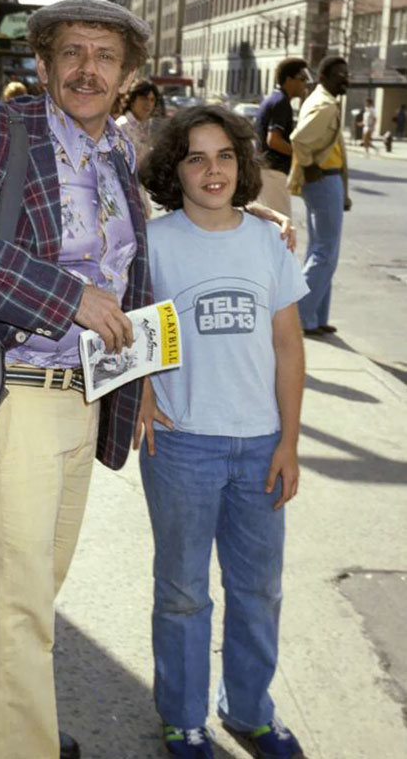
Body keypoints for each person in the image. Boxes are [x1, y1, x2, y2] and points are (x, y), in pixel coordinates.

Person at [0, 0, 153, 759]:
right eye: (71, 53)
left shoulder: (118, 152)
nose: (87, 69)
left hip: (85, 397)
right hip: (13, 392)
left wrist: (137, 384)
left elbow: (128, 275)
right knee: (17, 599)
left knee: (27, 584)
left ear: (125, 77)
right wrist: (63, 295)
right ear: (42, 65)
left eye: (104, 58)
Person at [134, 104, 308, 759]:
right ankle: (182, 717)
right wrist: (144, 392)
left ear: (242, 163)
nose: (212, 169)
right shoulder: (153, 241)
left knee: (258, 589)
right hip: (182, 446)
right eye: (195, 157)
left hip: (259, 443)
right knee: (181, 592)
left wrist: (288, 441)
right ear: (173, 170)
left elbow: (288, 345)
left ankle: (249, 710)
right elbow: (135, 325)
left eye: (224, 155)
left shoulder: (268, 241)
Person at [288, 55, 351, 337]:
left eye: (346, 74)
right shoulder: (324, 105)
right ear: (324, 77)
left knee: (323, 251)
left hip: (330, 180)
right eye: (339, 74)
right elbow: (299, 139)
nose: (345, 79)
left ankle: (314, 317)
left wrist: (345, 190)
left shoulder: (322, 99)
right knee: (325, 253)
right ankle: (299, 316)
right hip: (324, 180)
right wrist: (310, 165)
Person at [255, 58, 310, 217]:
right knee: (281, 227)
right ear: (288, 79)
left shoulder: (274, 99)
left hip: (266, 170)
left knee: (268, 225)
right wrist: (299, 154)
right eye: (302, 79)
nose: (304, 84)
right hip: (273, 172)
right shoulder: (281, 102)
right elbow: (274, 140)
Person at [116, 78, 160, 218]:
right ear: (133, 100)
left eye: (152, 100)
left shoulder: (148, 128)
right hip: (122, 197)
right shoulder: (121, 127)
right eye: (144, 98)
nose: (148, 104)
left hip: (140, 196)